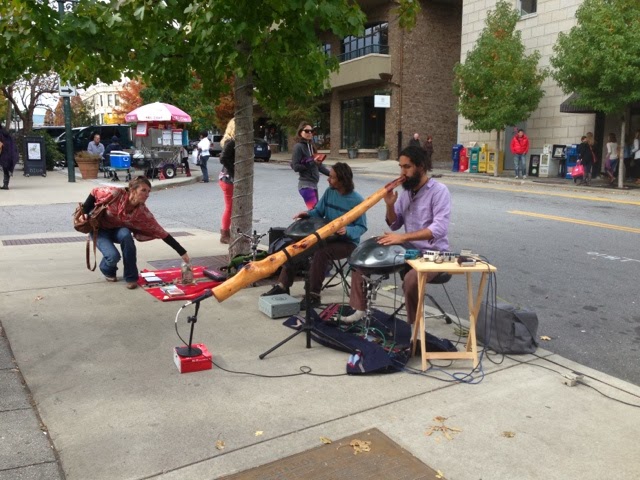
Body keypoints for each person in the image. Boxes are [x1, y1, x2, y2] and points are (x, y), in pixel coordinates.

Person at [342, 146, 451, 325]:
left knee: (411, 279)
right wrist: (390, 205)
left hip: (433, 254)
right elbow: (395, 224)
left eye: (407, 167)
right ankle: (359, 309)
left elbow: (439, 229)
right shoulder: (407, 192)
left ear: (421, 166)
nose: (402, 172)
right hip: (408, 251)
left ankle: (414, 328)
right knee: (363, 258)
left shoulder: (439, 191)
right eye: (401, 167)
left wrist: (402, 238)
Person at [262, 162, 367, 310]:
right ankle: (283, 286)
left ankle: (313, 295)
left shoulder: (357, 200)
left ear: (343, 180)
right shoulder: (330, 192)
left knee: (321, 253)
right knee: (295, 247)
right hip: (327, 237)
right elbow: (318, 211)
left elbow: (362, 227)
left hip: (347, 242)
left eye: (332, 177)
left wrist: (347, 230)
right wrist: (307, 214)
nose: (328, 179)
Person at [81, 176, 190, 289]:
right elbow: (94, 192)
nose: (147, 194)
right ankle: (107, 269)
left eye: (148, 191)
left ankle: (131, 278)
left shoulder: (142, 211)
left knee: (126, 234)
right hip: (98, 230)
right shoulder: (115, 193)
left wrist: (182, 252)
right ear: (132, 190)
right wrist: (84, 212)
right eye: (143, 190)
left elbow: (160, 231)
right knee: (113, 256)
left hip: (117, 230)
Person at [291, 121, 329, 209]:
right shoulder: (298, 147)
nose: (309, 133)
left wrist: (332, 174)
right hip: (305, 185)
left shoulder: (311, 147)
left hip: (313, 184)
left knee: (316, 211)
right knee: (315, 211)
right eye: (307, 131)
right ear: (300, 132)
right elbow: (295, 166)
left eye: (311, 131)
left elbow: (319, 166)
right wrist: (312, 162)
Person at [218, 118, 236, 244]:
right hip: (228, 179)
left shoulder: (231, 141)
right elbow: (223, 158)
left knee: (231, 206)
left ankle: (227, 232)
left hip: (227, 178)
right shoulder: (231, 142)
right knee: (230, 207)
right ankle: (224, 234)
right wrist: (234, 170)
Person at [0, 123, 18, 190]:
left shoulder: (1, 133)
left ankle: (5, 185)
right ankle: (5, 185)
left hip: (4, 152)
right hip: (9, 152)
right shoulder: (4, 132)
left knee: (5, 168)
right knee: (6, 168)